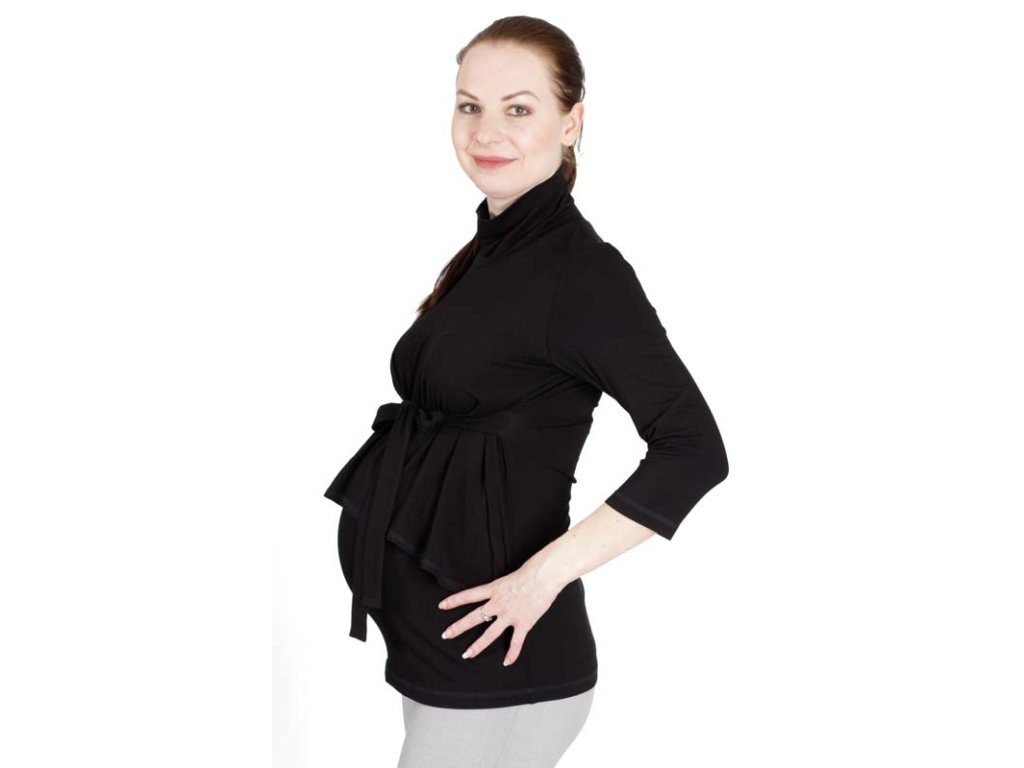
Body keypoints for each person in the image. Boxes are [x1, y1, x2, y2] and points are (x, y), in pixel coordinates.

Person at [324, 15, 729, 768]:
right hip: (441, 654)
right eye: (469, 105)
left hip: (503, 670)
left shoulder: (583, 273)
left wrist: (539, 581)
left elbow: (693, 449)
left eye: (519, 108)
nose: (487, 131)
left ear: (571, 124)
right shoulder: (494, 248)